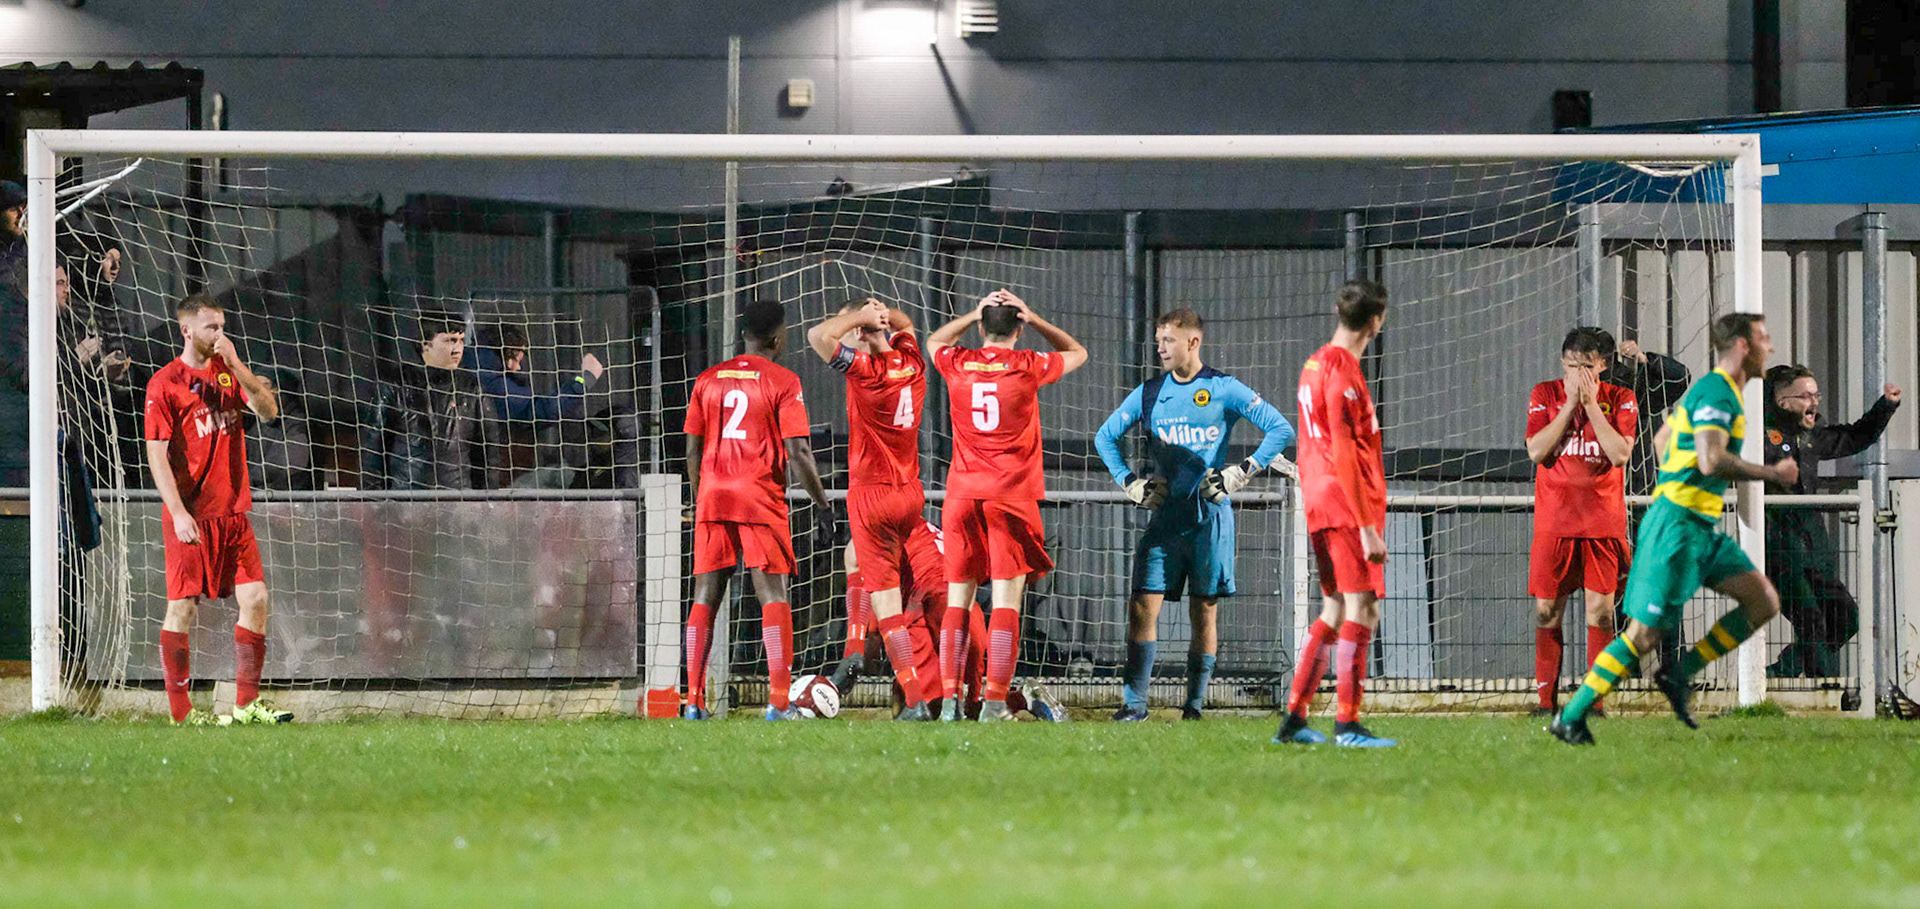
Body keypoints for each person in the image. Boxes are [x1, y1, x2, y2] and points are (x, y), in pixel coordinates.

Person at [1550, 313, 1797, 746]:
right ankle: (1570, 716)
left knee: (1763, 601)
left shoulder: (1710, 391)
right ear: (1742, 345)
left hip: (1698, 524)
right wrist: (1771, 472)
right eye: (1763, 338)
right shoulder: (1719, 393)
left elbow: (1664, 441)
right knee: (1641, 635)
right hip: (1676, 527)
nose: (1770, 348)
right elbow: (1709, 459)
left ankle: (1679, 672)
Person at [1094, 307, 1296, 721]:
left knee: (1203, 611)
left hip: (1210, 519)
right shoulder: (1150, 393)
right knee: (1141, 606)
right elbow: (1105, 436)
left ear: (1193, 342)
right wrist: (1130, 482)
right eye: (1158, 341)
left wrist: (1241, 472)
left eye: (1168, 340)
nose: (1161, 349)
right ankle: (1134, 706)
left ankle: (1194, 707)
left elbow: (1281, 429)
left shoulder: (1223, 388)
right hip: (1165, 520)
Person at [927, 289, 1088, 722]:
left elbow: (934, 342)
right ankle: (994, 702)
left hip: (961, 496)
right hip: (1009, 496)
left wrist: (969, 313)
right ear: (1018, 328)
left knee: (958, 601)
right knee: (1004, 602)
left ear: (982, 327)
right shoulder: (1029, 365)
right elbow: (1077, 352)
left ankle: (949, 703)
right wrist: (1036, 319)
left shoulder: (957, 362)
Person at [142, 293, 291, 726]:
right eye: (211, 327)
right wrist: (178, 512)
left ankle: (246, 704)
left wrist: (239, 364)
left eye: (222, 326)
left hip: (232, 513)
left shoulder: (229, 373)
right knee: (183, 608)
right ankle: (182, 713)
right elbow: (155, 453)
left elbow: (268, 411)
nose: (219, 334)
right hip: (190, 515)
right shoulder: (165, 383)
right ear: (186, 330)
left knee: (257, 597)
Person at [681, 299, 832, 721]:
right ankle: (778, 702)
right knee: (772, 594)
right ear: (778, 337)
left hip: (713, 493)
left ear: (743, 335)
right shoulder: (783, 380)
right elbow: (798, 451)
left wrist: (701, 497)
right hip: (758, 495)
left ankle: (692, 702)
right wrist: (822, 505)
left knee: (706, 595)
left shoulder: (708, 379)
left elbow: (691, 446)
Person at [1273, 279, 1395, 748]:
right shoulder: (1342, 372)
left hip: (1320, 497)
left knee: (1335, 606)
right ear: (1376, 322)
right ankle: (1348, 724)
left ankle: (1294, 718)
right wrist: (1367, 529)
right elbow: (1344, 451)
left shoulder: (1314, 363)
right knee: (1363, 607)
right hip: (1346, 503)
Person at [808, 297, 939, 720]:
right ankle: (853, 652)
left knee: (888, 608)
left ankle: (914, 700)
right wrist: (881, 316)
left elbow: (817, 336)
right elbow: (908, 322)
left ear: (860, 334)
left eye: (853, 331)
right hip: (910, 492)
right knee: (853, 557)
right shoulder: (913, 363)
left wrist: (861, 317)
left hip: (874, 497)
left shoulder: (866, 372)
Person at [1523, 327, 1637, 717]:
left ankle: (1594, 702)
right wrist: (1571, 405)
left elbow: (1620, 454)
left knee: (1600, 612)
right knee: (1546, 612)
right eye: (1572, 366)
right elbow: (1537, 451)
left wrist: (1589, 405)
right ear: (1562, 363)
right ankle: (1544, 702)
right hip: (1554, 523)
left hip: (1601, 524)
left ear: (1603, 365)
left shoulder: (1621, 398)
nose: (1578, 374)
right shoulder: (1545, 394)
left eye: (1587, 366)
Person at [1763, 364, 1901, 678]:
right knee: (1811, 620)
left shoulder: (1812, 438)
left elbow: (1855, 437)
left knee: (1846, 617)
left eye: (1817, 394)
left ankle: (1781, 671)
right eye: (1806, 395)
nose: (1814, 402)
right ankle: (1825, 691)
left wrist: (1886, 406)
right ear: (1783, 402)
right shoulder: (1759, 435)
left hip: (1814, 546)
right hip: (1779, 545)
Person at [363, 313, 490, 490]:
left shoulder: (472, 388)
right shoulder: (395, 385)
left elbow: (487, 454)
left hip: (457, 502)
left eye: (461, 341)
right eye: (450, 341)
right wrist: (372, 504)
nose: (457, 349)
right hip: (406, 502)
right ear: (425, 344)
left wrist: (488, 504)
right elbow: (373, 450)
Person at [1602, 338, 1691, 495]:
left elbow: (1679, 377)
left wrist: (1645, 359)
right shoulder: (1573, 396)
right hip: (1603, 489)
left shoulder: (1636, 389)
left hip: (1641, 486)